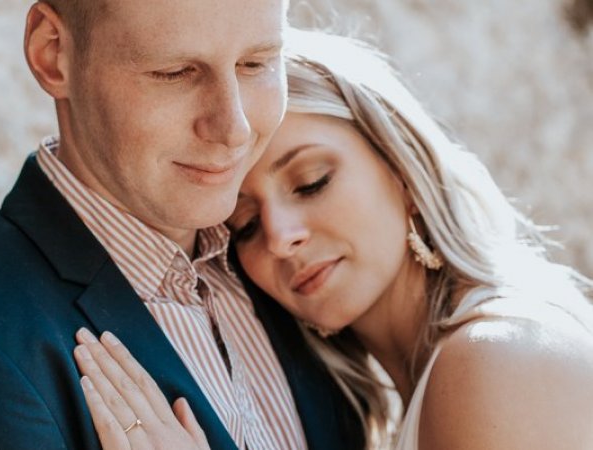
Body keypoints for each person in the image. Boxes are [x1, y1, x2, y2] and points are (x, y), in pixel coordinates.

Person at [0, 4, 365, 450]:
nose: (233, 127)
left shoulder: (285, 264)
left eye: (256, 63)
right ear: (53, 52)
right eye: (176, 72)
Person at [71, 29, 593, 449]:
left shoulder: (494, 361)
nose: (279, 238)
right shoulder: (409, 393)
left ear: (402, 167)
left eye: (311, 182)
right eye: (245, 226)